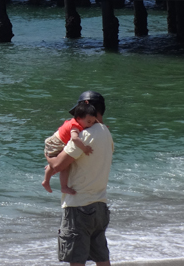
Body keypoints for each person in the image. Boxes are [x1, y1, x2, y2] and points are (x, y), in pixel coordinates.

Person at [47, 91, 114, 266]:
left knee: (77, 260)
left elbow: (57, 166)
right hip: (100, 205)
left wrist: (48, 153)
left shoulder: (85, 136)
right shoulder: (107, 133)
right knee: (102, 258)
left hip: (79, 206)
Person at [42, 102, 99, 194]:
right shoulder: (75, 126)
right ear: (79, 118)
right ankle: (61, 186)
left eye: (93, 122)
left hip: (58, 142)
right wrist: (84, 148)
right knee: (64, 167)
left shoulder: (78, 121)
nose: (90, 125)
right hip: (55, 143)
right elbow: (74, 138)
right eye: (88, 122)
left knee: (56, 165)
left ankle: (47, 180)